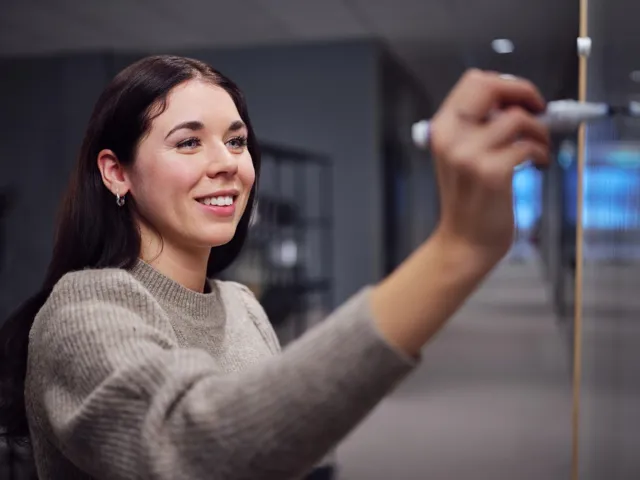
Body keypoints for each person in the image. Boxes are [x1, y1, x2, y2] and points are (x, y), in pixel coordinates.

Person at [0, 56, 550, 479]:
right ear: (116, 173)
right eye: (188, 141)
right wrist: (457, 251)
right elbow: (197, 452)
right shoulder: (83, 311)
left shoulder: (240, 303)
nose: (226, 164)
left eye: (236, 141)